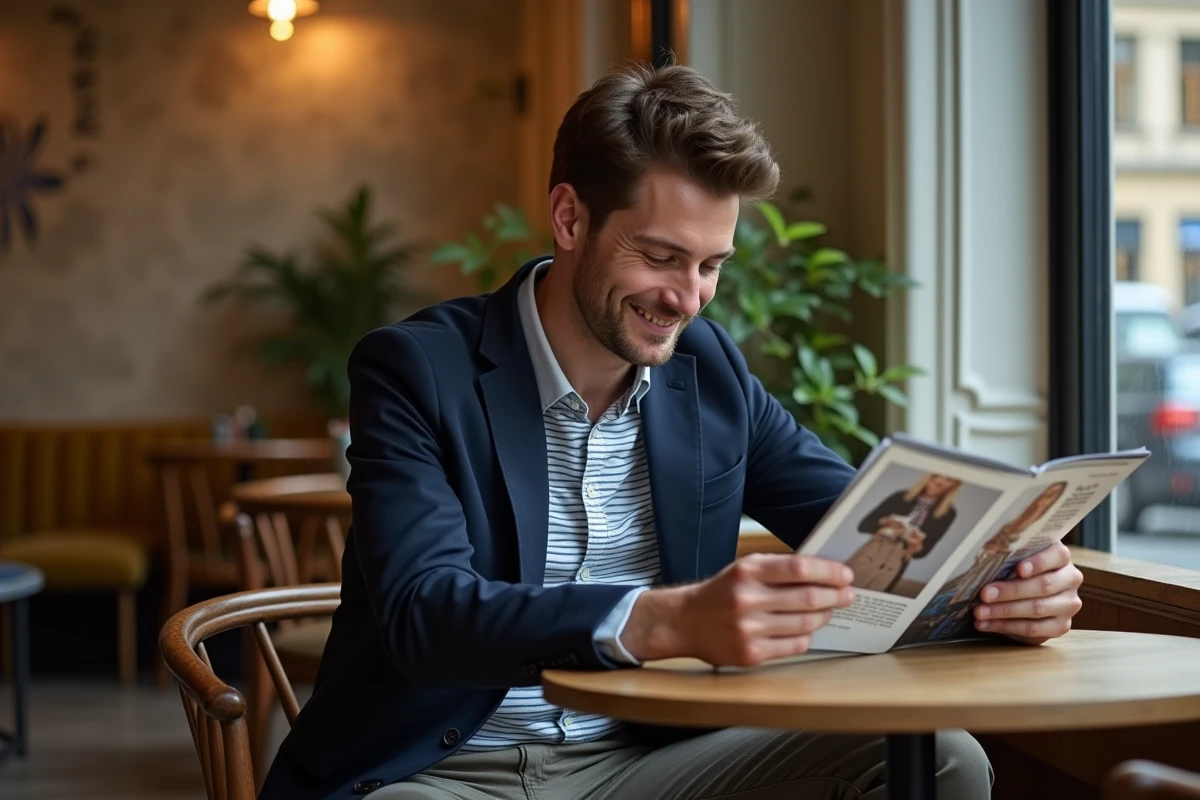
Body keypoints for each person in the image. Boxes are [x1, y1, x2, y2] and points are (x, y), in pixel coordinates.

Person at [259, 62, 1084, 800]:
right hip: (435, 770)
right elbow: (425, 615)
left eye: (711, 266)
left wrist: (1004, 582)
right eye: (660, 257)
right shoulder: (416, 370)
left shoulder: (708, 371)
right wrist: (667, 621)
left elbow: (864, 527)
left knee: (943, 762)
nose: (687, 299)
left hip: (642, 762)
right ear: (570, 218)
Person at [845, 473, 961, 594]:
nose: (940, 482)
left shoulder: (948, 513)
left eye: (949, 479)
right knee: (847, 588)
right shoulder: (900, 497)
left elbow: (925, 551)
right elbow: (864, 525)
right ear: (928, 476)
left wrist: (916, 545)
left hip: (899, 561)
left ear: (954, 485)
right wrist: (885, 525)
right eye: (937, 476)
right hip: (873, 551)